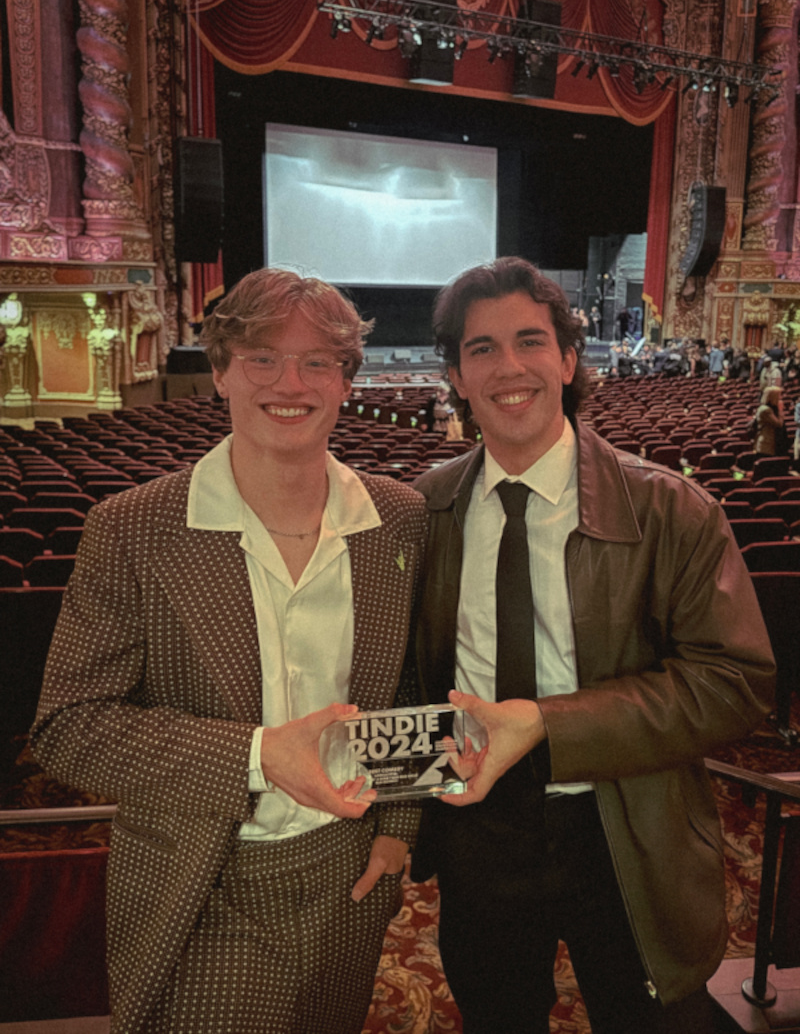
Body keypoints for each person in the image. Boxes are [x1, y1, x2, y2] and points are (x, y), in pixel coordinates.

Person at [31, 268, 428, 1034]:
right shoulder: (133, 528)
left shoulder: (398, 519)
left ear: (347, 381)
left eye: (319, 361)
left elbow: (405, 679)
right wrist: (258, 754)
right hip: (206, 876)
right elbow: (68, 725)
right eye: (262, 358)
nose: (292, 382)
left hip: (349, 870)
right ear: (219, 372)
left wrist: (396, 828)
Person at [411, 257, 774, 1034]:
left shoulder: (672, 508)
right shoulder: (424, 508)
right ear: (456, 375)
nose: (509, 367)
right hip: (480, 828)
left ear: (570, 359)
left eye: (530, 341)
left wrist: (548, 724)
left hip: (629, 823)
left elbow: (735, 681)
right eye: (482, 349)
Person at [755, 384, 787, 455]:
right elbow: (779, 424)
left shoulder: (772, 408)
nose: (781, 398)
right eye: (779, 395)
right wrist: (780, 410)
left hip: (774, 443)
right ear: (773, 397)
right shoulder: (765, 410)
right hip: (767, 444)